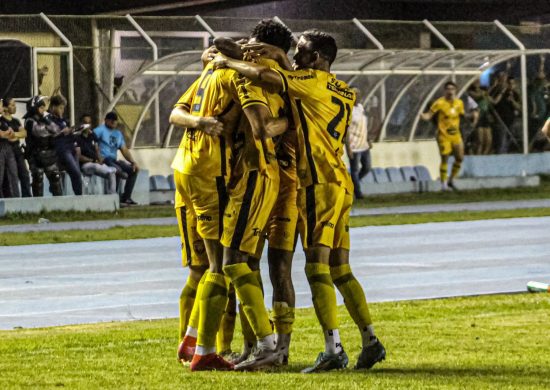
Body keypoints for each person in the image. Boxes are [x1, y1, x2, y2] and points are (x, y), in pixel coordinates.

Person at [215, 28, 386, 373]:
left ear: (318, 59)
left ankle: (333, 348)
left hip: (318, 182)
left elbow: (267, 77)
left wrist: (227, 61)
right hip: (342, 182)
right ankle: (369, 340)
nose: (296, 58)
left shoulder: (312, 81)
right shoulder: (344, 90)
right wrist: (279, 57)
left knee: (316, 268)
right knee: (340, 268)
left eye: (302, 53)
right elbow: (289, 76)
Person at [421, 81, 472, 191]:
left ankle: (451, 180)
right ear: (444, 91)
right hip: (443, 135)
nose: (450, 91)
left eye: (452, 89)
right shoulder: (439, 103)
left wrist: (471, 116)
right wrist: (424, 116)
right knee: (445, 159)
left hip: (456, 135)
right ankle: (443, 184)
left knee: (460, 158)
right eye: (448, 89)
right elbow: (429, 115)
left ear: (455, 90)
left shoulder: (459, 103)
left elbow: (462, 115)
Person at [93, 112, 139, 205]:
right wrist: (98, 157)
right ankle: (113, 198)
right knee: (117, 170)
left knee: (134, 170)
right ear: (106, 120)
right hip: (104, 159)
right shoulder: (99, 130)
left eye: (115, 120)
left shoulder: (118, 134)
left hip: (113, 160)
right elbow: (92, 143)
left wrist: (133, 162)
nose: (113, 122)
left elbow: (124, 150)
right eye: (111, 120)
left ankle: (126, 197)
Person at [23, 96, 63, 197]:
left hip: (49, 154)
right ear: (34, 108)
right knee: (38, 179)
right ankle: (38, 206)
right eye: (40, 107)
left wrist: (47, 122)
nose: (43, 110)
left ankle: (61, 205)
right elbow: (40, 132)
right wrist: (48, 127)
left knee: (55, 177)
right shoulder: (29, 121)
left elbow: (56, 130)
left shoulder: (46, 119)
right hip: (35, 155)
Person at [75, 115, 117, 194]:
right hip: (85, 165)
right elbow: (79, 156)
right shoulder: (77, 137)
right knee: (96, 166)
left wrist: (100, 160)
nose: (87, 125)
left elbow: (97, 149)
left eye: (89, 123)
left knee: (112, 173)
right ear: (81, 124)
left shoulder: (92, 135)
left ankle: (112, 196)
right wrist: (94, 160)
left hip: (95, 163)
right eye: (85, 123)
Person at [49, 95, 82, 195]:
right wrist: (62, 132)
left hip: (71, 148)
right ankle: (79, 197)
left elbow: (68, 134)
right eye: (60, 108)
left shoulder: (63, 120)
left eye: (63, 108)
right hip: (62, 150)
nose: (62, 110)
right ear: (53, 107)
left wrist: (75, 137)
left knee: (76, 174)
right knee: (75, 173)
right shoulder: (48, 120)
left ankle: (78, 197)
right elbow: (50, 136)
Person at [2, 97, 32, 197]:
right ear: (5, 108)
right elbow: (7, 138)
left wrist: (14, 134)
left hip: (17, 151)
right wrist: (15, 135)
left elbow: (24, 133)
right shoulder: (1, 121)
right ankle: (14, 199)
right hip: (6, 151)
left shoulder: (16, 121)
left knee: (25, 174)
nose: (15, 107)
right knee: (11, 177)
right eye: (12, 105)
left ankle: (27, 198)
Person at [346, 88, 371, 199]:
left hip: (364, 145)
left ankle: (352, 185)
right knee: (354, 170)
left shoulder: (360, 107)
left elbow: (363, 125)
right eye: (355, 94)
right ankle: (358, 193)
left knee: (367, 167)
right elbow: (345, 131)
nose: (357, 96)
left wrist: (369, 139)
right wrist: (348, 148)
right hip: (354, 146)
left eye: (358, 94)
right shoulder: (347, 110)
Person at [0, 99, 20, 198]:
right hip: (2, 148)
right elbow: (2, 134)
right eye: (1, 105)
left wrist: (11, 134)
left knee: (13, 175)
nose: (3, 107)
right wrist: (9, 134)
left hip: (7, 148)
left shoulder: (7, 121)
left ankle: (16, 202)